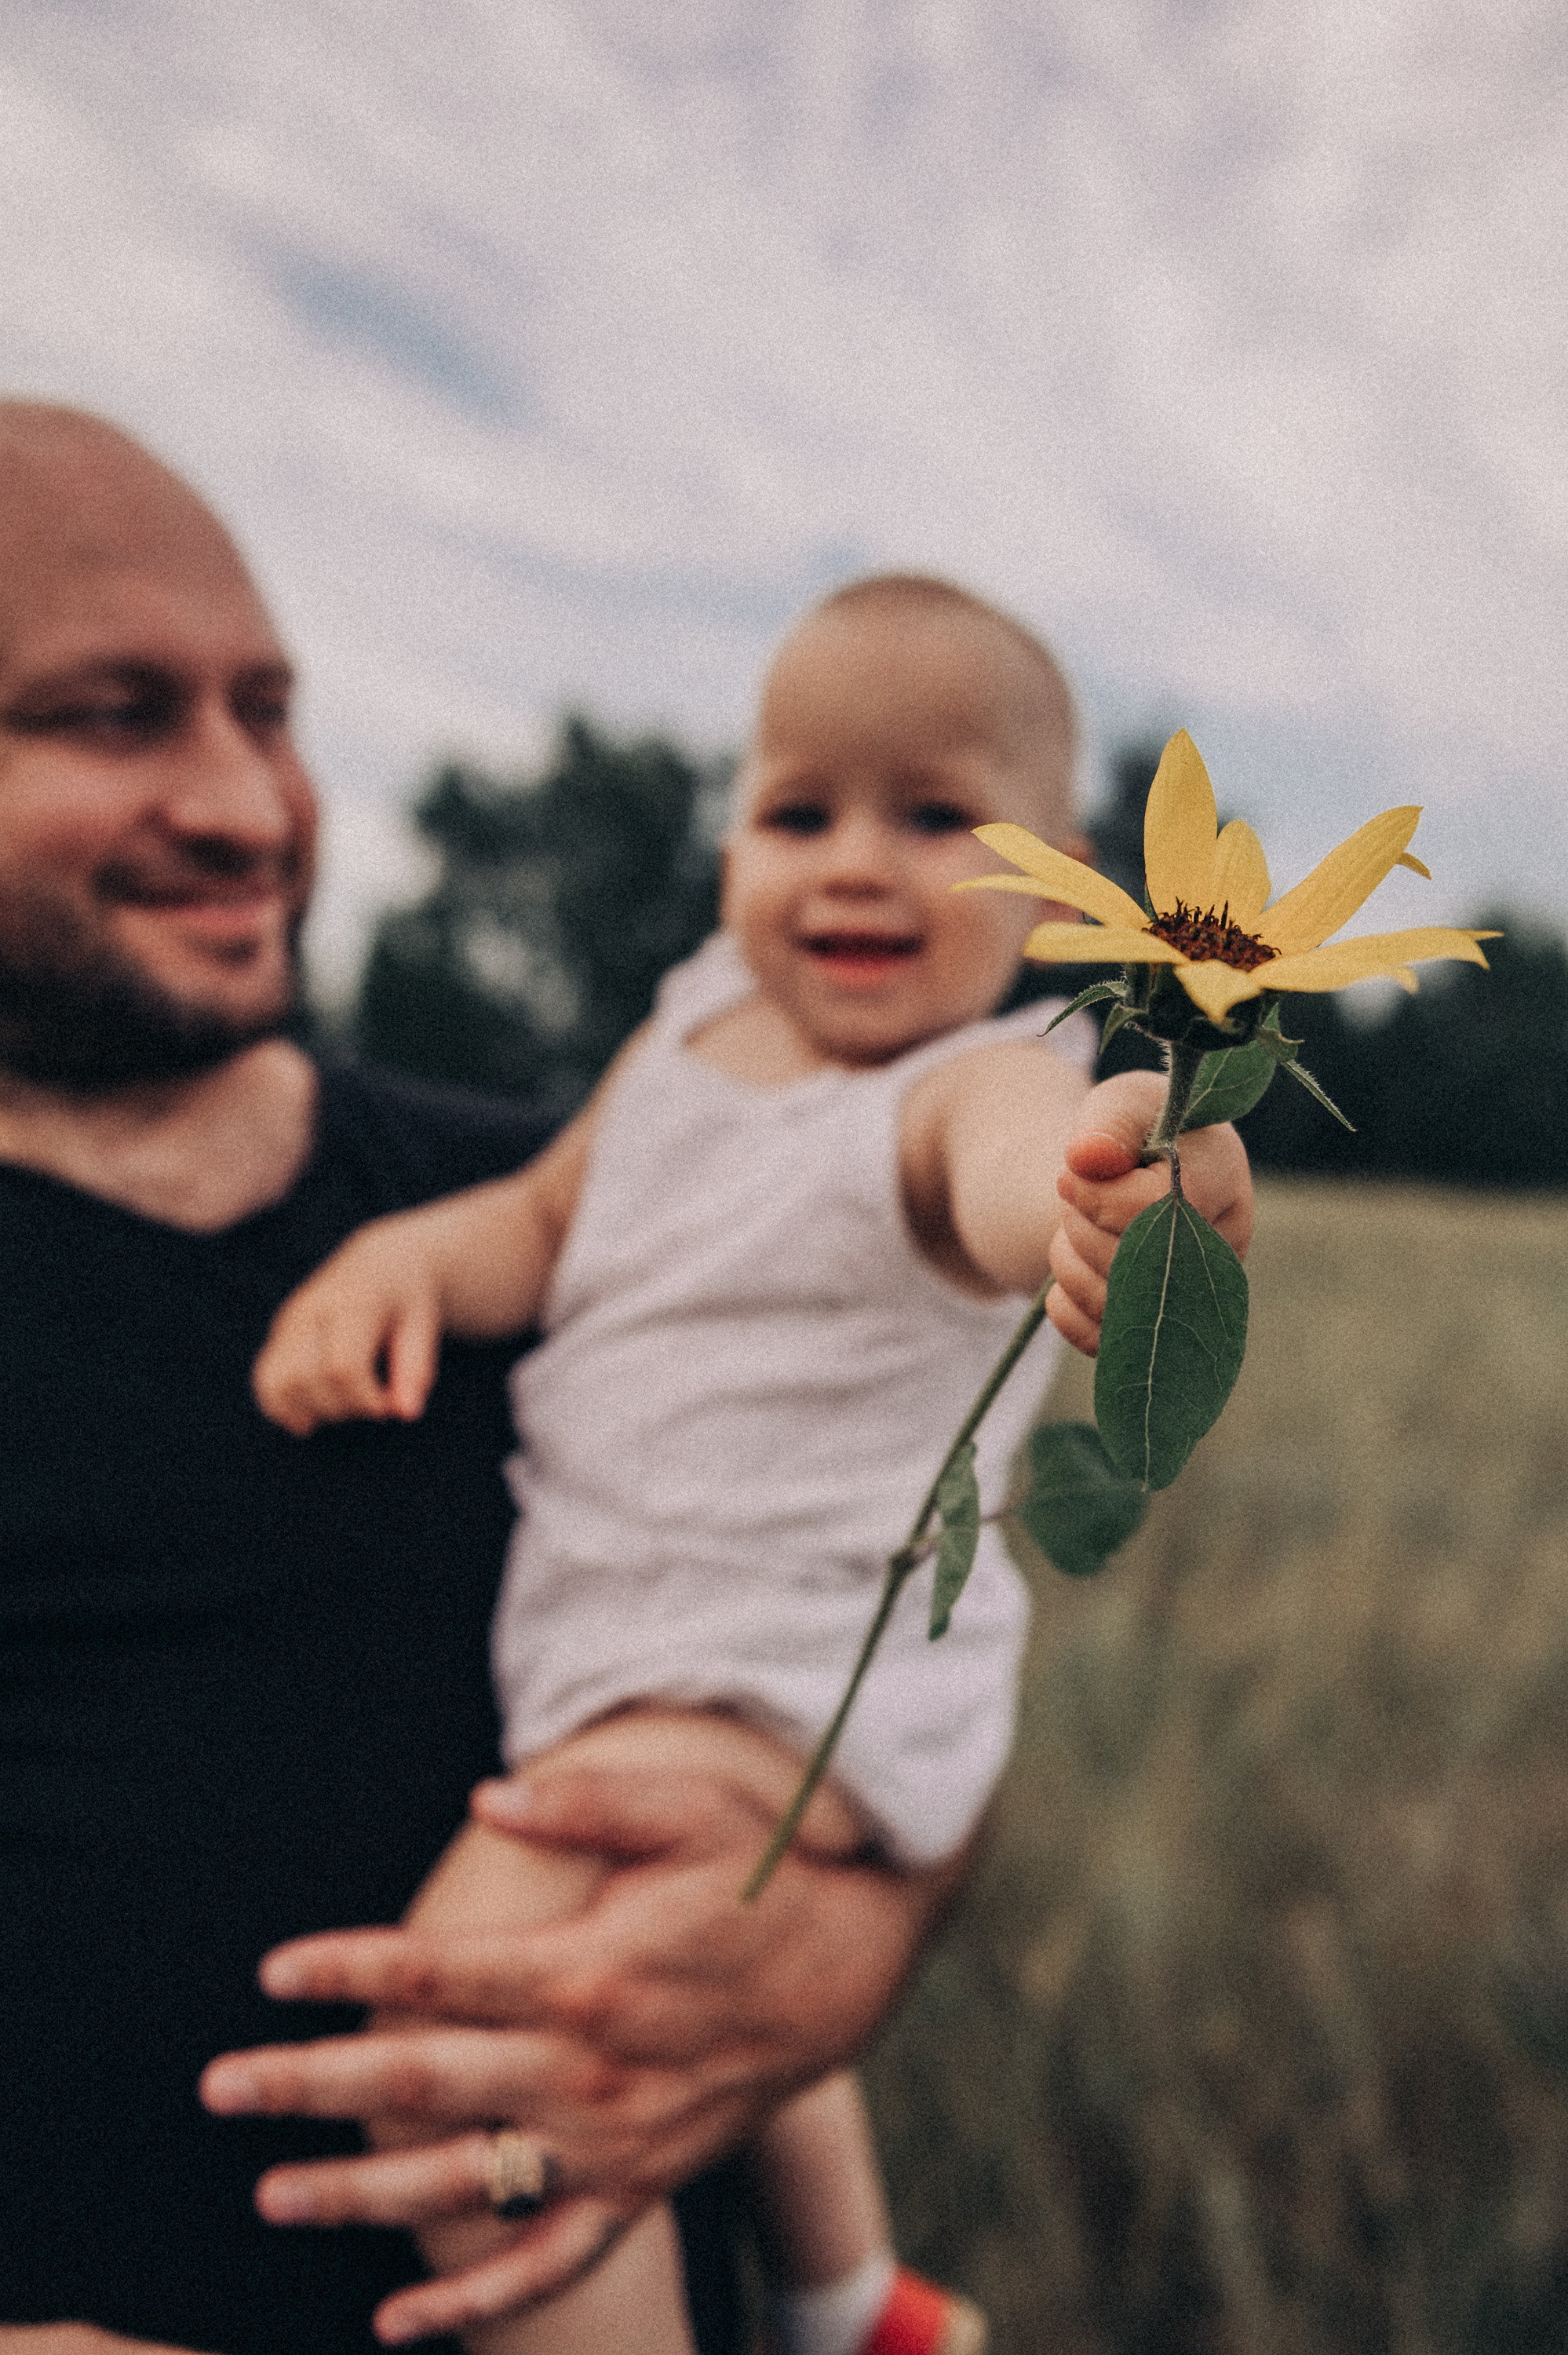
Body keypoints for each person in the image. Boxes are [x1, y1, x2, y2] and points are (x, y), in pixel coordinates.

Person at [0, 411, 1134, 2355]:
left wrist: (837, 1956)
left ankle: (845, 2298)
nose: (247, 803)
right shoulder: (639, 1114)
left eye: (267, 710)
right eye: (113, 715)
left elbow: (983, 1178)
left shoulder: (592, 1176)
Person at [246, 576, 1256, 2355]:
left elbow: (1009, 1170)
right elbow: (548, 1220)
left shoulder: (975, 1076)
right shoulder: (686, 1033)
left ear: (1068, 878)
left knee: (474, 2054)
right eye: (797, 813)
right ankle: (852, 2302)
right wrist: (402, 1262)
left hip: (779, 1669)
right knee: (691, 1982)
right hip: (632, 1653)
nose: (854, 863)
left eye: (938, 816)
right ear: (730, 845)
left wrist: (1108, 1196)